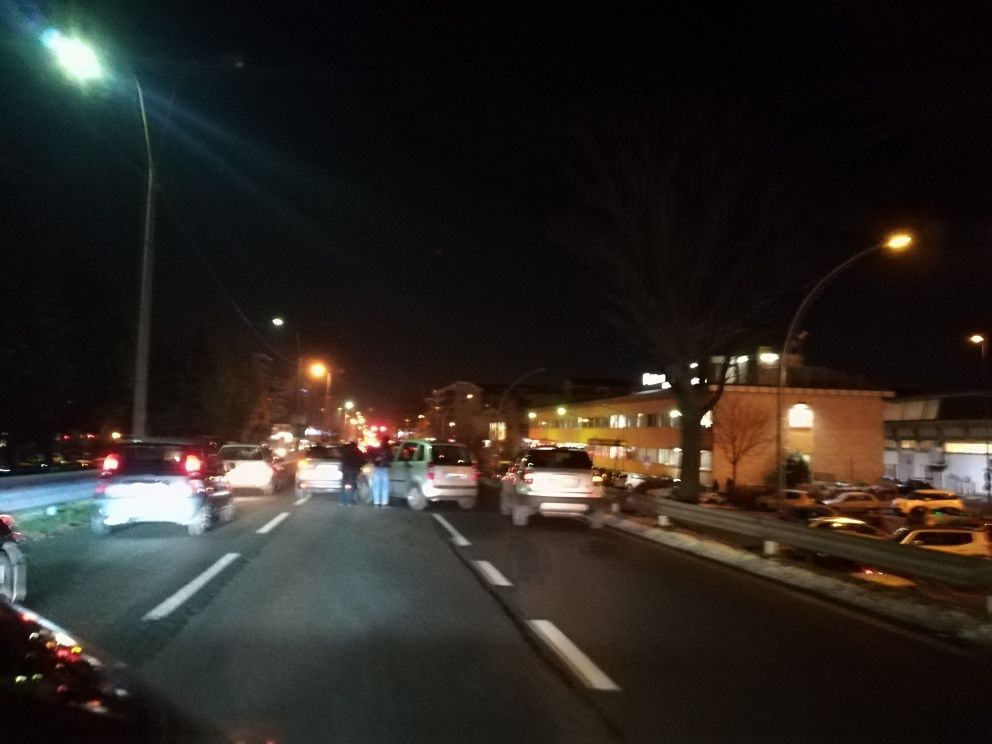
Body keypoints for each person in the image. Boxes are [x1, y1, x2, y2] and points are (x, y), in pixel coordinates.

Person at [371, 439, 393, 507]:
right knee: (385, 486)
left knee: (376, 486)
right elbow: (391, 458)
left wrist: (375, 460)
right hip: (385, 468)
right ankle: (384, 503)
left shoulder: (377, 449)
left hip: (377, 468)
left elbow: (370, 454)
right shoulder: (388, 450)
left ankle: (376, 502)